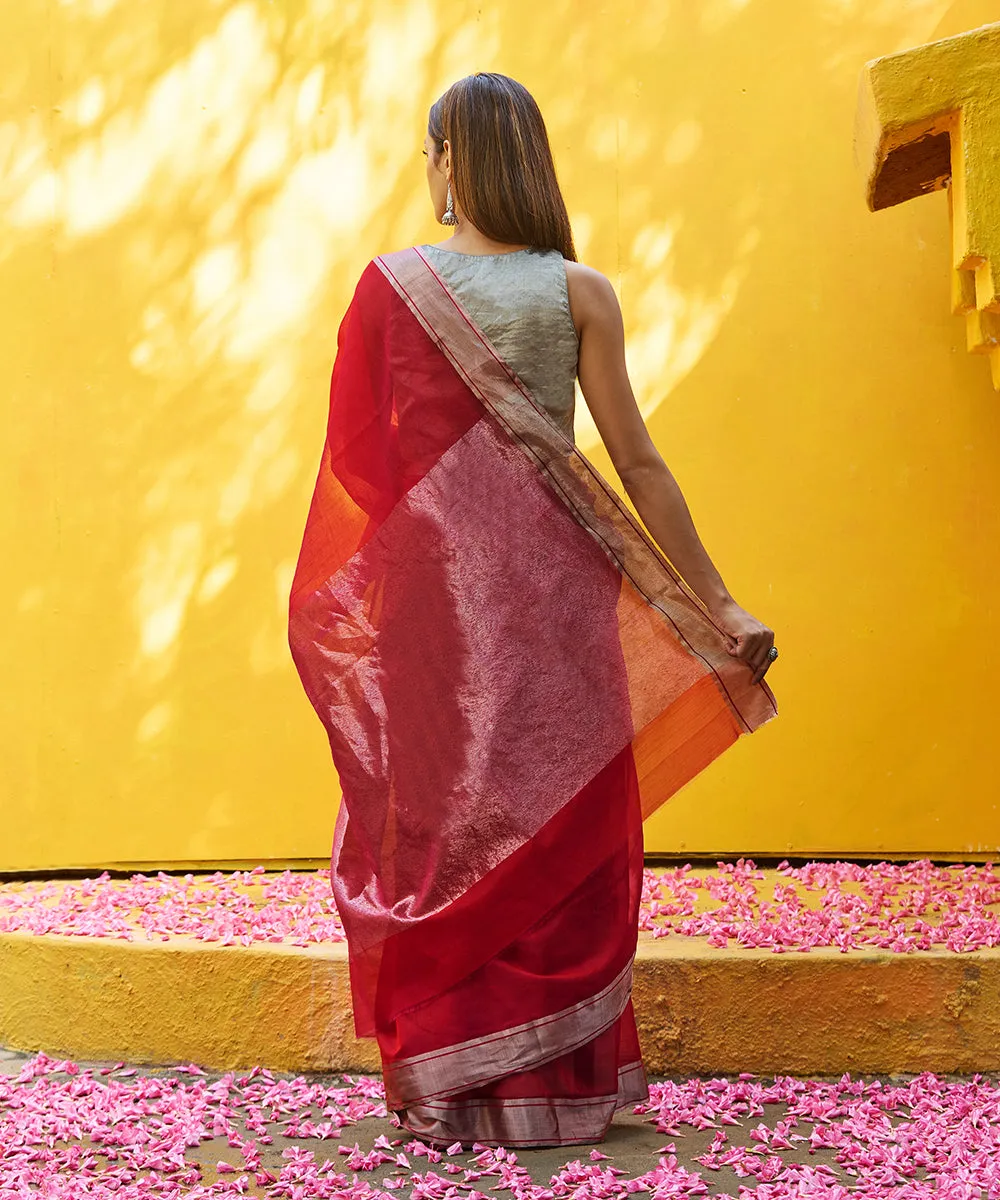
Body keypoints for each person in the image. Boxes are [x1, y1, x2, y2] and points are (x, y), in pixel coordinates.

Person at [288, 72, 778, 1150]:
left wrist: (437, 551)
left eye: (432, 152)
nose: (429, 171)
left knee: (447, 832)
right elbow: (639, 465)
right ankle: (558, 1093)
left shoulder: (389, 286)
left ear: (452, 164)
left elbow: (362, 472)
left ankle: (455, 1093)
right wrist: (717, 600)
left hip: (438, 624)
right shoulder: (580, 292)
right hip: (562, 610)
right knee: (564, 828)